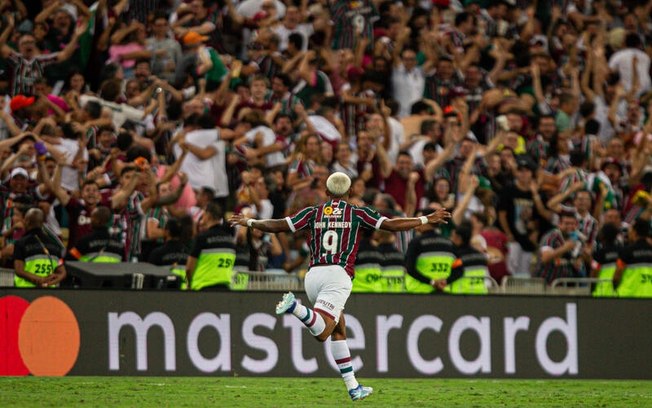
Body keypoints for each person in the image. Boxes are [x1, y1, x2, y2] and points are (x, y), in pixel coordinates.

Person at [230, 172, 450, 401]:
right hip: (337, 275)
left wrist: (250, 222)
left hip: (313, 275)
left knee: (339, 327)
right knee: (324, 331)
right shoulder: (356, 212)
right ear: (349, 192)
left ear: (326, 192)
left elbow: (279, 226)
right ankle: (295, 307)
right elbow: (392, 225)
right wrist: (425, 219)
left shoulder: (313, 212)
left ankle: (353, 387)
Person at [186, 202, 236, 291]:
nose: (202, 217)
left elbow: (189, 268)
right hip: (225, 288)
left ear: (208, 215)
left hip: (203, 288)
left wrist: (188, 284)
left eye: (203, 214)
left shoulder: (202, 238)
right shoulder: (230, 240)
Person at [404, 208, 456, 294]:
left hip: (419, 292)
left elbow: (410, 268)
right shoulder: (449, 243)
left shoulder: (416, 243)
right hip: (445, 292)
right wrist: (446, 281)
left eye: (419, 219)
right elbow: (459, 268)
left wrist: (432, 282)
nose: (417, 222)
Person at [13, 208, 66, 288]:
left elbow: (19, 270)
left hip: (25, 291)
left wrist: (40, 279)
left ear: (27, 221)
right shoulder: (55, 245)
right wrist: (51, 282)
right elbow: (62, 272)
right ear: (42, 223)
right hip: (48, 292)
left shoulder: (21, 243)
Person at [435, 221, 490, 295]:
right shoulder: (481, 256)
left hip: (461, 295)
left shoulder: (457, 257)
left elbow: (455, 274)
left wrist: (442, 282)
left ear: (459, 238)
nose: (451, 239)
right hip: (481, 294)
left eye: (452, 236)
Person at [149, 217, 191, 290]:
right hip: (185, 294)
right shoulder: (189, 253)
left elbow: (150, 280)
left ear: (167, 232)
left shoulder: (157, 253)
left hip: (164, 295)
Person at [613, 219, 652, 298]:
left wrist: (615, 286)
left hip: (629, 297)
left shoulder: (626, 251)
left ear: (635, 232)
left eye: (630, 229)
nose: (629, 232)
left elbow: (618, 273)